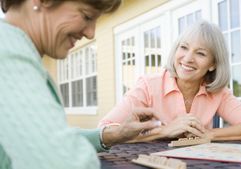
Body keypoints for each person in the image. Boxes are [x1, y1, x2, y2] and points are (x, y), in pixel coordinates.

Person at [0, 0, 161, 169]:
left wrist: (115, 134)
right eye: (87, 16)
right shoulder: (9, 53)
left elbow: (38, 139)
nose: (91, 33)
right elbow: (59, 160)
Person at [98, 20, 241, 142]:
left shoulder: (217, 92)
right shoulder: (148, 85)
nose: (187, 59)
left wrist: (210, 134)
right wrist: (164, 131)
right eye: (184, 47)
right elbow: (105, 129)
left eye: (200, 53)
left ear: (213, 64)